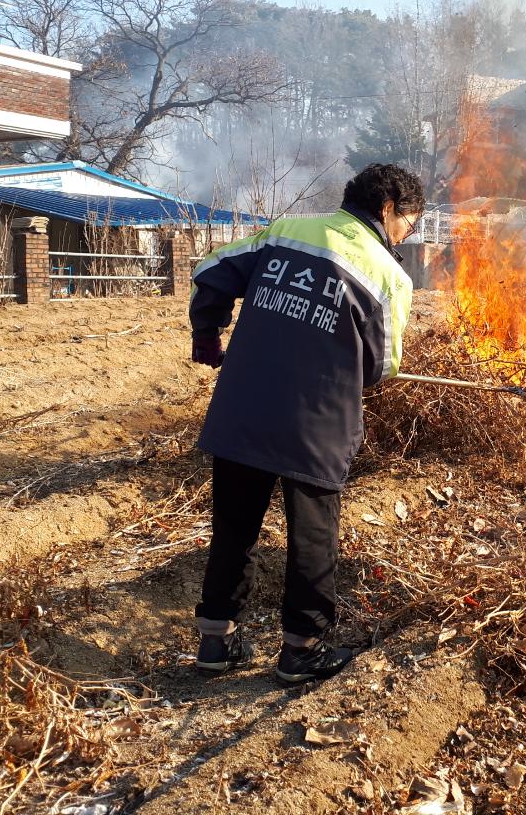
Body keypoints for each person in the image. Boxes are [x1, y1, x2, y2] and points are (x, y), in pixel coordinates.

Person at [188, 162, 423, 682]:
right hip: (316, 427)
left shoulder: (285, 231)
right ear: (388, 208)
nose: (408, 233)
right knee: (313, 538)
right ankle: (302, 650)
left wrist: (207, 334)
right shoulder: (389, 278)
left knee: (234, 530)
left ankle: (215, 642)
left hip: (244, 409)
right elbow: (382, 367)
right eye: (409, 221)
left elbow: (210, 272)